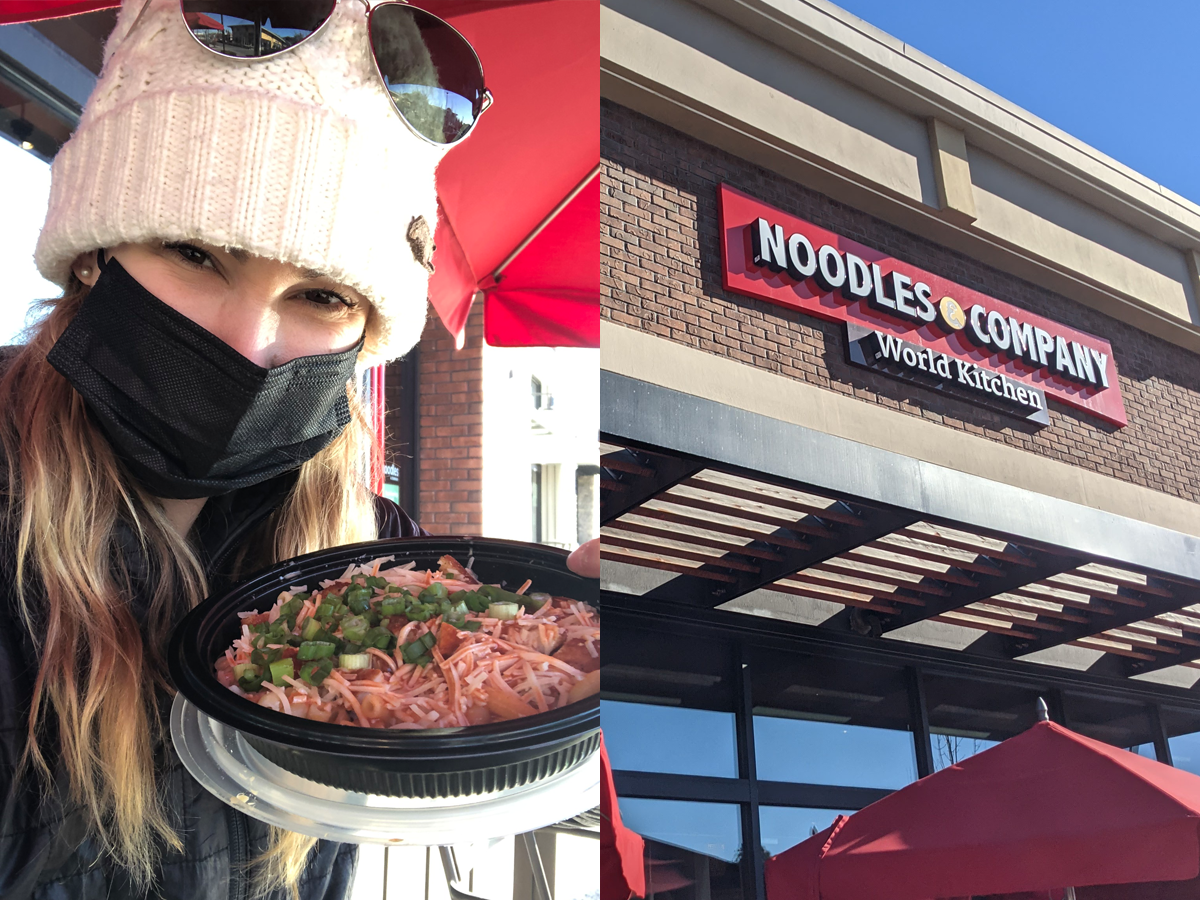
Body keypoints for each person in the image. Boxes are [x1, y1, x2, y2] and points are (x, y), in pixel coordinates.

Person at [0, 1, 595, 897]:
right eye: (196, 252)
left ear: (365, 332)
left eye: (320, 296)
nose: (247, 343)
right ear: (94, 257)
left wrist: (576, 661)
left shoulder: (372, 552)